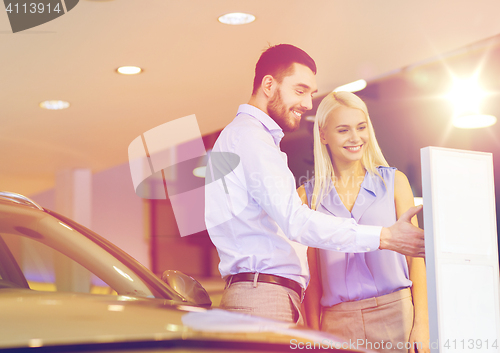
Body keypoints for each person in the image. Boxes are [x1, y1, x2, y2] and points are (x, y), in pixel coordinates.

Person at [205, 44, 424, 325]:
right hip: (263, 298)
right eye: (300, 90)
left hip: (264, 295)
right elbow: (296, 222)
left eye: (311, 93)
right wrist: (384, 237)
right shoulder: (250, 139)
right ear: (269, 85)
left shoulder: (242, 138)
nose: (308, 104)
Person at [299, 91, 429, 352]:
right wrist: (312, 337)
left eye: (361, 127)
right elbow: (311, 280)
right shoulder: (307, 197)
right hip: (337, 324)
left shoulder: (394, 182)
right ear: (323, 134)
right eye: (343, 130)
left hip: (397, 315)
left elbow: (415, 259)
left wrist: (422, 324)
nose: (355, 138)